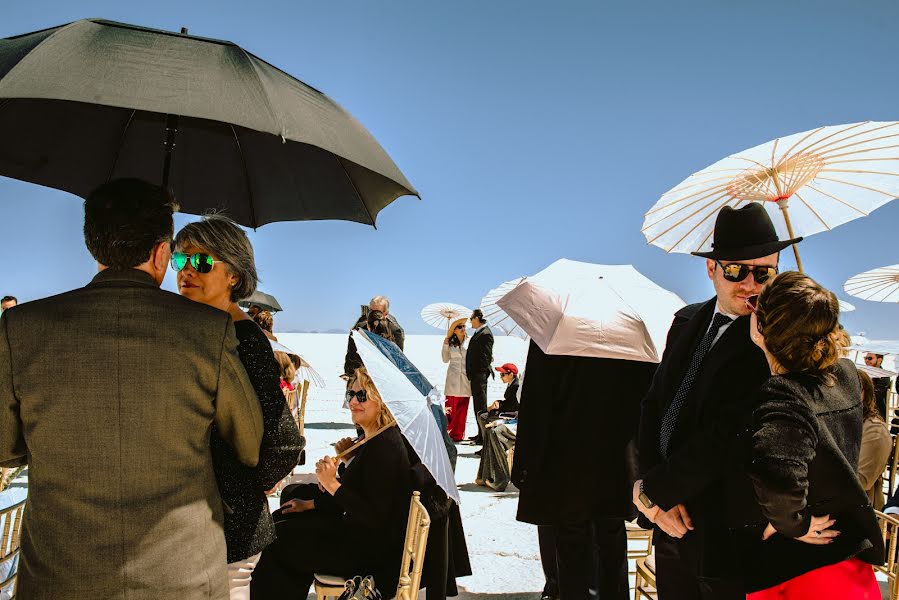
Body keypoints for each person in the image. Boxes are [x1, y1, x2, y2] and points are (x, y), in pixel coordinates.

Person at [0, 178, 264, 600]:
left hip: (60, 576)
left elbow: (6, 447)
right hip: (183, 576)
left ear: (93, 245)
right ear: (162, 253)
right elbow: (249, 444)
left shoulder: (21, 327)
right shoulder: (209, 331)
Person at [633, 203, 797, 600]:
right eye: (736, 270)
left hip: (732, 534)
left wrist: (659, 490)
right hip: (671, 525)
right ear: (712, 269)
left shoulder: (779, 340)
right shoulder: (686, 320)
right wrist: (646, 493)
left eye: (764, 272)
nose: (750, 284)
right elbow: (654, 406)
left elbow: (734, 429)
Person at [727, 272, 884, 597]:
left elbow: (778, 474)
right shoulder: (846, 376)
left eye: (756, 304)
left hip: (800, 571)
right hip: (850, 558)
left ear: (762, 328)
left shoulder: (783, 395)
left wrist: (791, 522)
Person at [173, 214, 303, 599]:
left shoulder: (244, 339)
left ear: (233, 275)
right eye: (180, 260)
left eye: (200, 262)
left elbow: (284, 444)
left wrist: (235, 493)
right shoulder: (205, 330)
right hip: (196, 524)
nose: (186, 271)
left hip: (229, 532)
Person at [251, 367, 412, 598]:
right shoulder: (374, 438)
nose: (353, 402)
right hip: (356, 536)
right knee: (283, 518)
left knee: (278, 541)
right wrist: (348, 460)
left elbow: (375, 516)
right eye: (351, 395)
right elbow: (363, 489)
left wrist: (332, 485)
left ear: (381, 401)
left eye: (362, 396)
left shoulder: (385, 445)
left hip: (366, 553)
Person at [513, 343, 656, 599]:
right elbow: (649, 395)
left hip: (567, 457)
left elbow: (536, 399)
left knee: (571, 540)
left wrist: (526, 465)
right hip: (616, 457)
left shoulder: (555, 326)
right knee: (611, 537)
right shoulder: (632, 330)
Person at [856, 370, 892, 511]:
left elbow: (861, 481)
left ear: (865, 394)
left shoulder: (874, 430)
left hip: (856, 515)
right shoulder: (831, 424)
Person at [343, 296, 404, 376]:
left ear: (386, 313)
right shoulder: (359, 329)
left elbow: (397, 361)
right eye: (371, 311)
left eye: (378, 312)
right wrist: (351, 378)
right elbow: (350, 356)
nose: (372, 315)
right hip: (361, 377)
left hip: (383, 378)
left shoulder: (394, 331)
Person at [465, 309, 494, 445]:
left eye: (471, 318)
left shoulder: (486, 334)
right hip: (476, 375)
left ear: (477, 318)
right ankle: (479, 434)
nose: (470, 321)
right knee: (477, 406)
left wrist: (479, 373)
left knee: (481, 406)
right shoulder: (479, 332)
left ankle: (483, 437)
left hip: (480, 375)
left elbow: (486, 357)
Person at [442, 317, 472, 442]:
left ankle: (458, 435)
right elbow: (445, 359)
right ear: (454, 330)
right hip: (453, 378)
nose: (463, 329)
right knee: (451, 408)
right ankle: (447, 432)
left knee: (462, 409)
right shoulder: (449, 343)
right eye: (459, 327)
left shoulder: (469, 342)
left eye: (464, 326)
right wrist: (445, 344)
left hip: (465, 379)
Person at [864, 352, 892, 420]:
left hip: (876, 413)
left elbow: (875, 395)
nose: (867, 360)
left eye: (870, 358)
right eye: (865, 358)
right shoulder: (864, 374)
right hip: (865, 409)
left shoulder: (884, 376)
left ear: (879, 360)